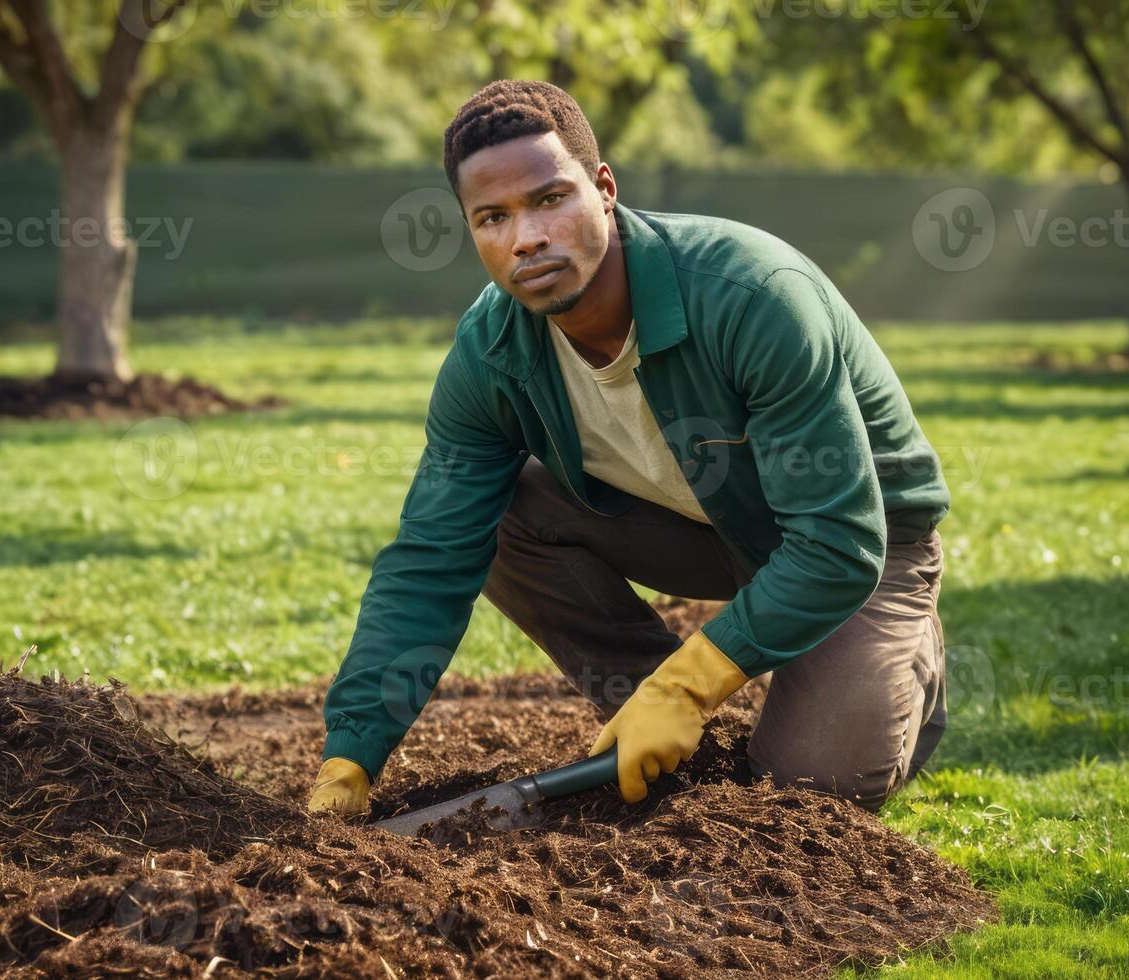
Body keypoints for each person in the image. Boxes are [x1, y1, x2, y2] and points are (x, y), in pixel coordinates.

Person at [308, 80, 950, 816]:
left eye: (549, 199)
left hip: (861, 547)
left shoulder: (752, 297)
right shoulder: (488, 356)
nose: (525, 238)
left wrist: (692, 680)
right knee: (499, 511)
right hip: (701, 530)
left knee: (811, 787)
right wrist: (350, 754)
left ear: (603, 188)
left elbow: (838, 542)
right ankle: (651, 707)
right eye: (493, 217)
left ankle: (901, 661)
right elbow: (430, 556)